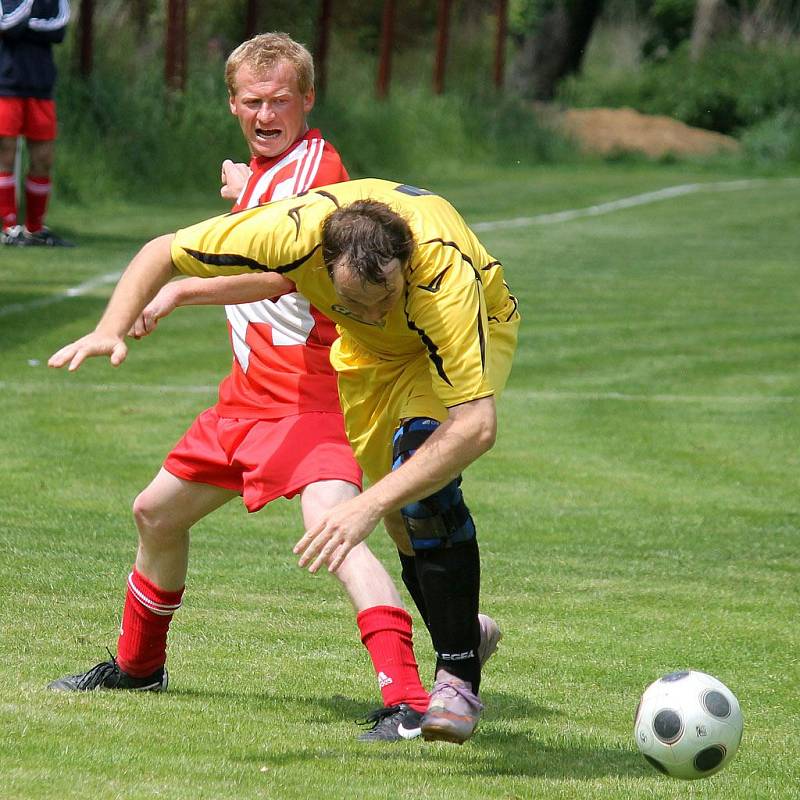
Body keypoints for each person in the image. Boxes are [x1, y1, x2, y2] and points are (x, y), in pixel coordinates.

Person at [46, 33, 451, 744]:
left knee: (334, 531)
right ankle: (140, 669)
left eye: (281, 100)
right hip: (247, 396)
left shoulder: (320, 169)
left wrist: (179, 293)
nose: (267, 113)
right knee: (156, 513)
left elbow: (286, 274)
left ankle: (412, 700)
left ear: (308, 101)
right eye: (254, 101)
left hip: (309, 395)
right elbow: (262, 212)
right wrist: (243, 193)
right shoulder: (270, 172)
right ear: (233, 104)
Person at [48, 178, 520, 744]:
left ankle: (452, 683)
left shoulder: (442, 277)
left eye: (386, 295)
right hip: (362, 365)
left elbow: (477, 426)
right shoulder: (290, 231)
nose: (373, 309)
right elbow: (163, 252)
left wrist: (366, 502)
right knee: (400, 521)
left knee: (419, 489)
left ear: (405, 263)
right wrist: (111, 327)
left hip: (457, 337)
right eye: (355, 301)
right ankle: (463, 629)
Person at [0, 0, 73, 246]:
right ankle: (9, 227)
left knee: (43, 159)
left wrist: (24, 24)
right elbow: (6, 24)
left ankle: (34, 228)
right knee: (5, 155)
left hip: (41, 86)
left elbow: (59, 28)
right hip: (6, 84)